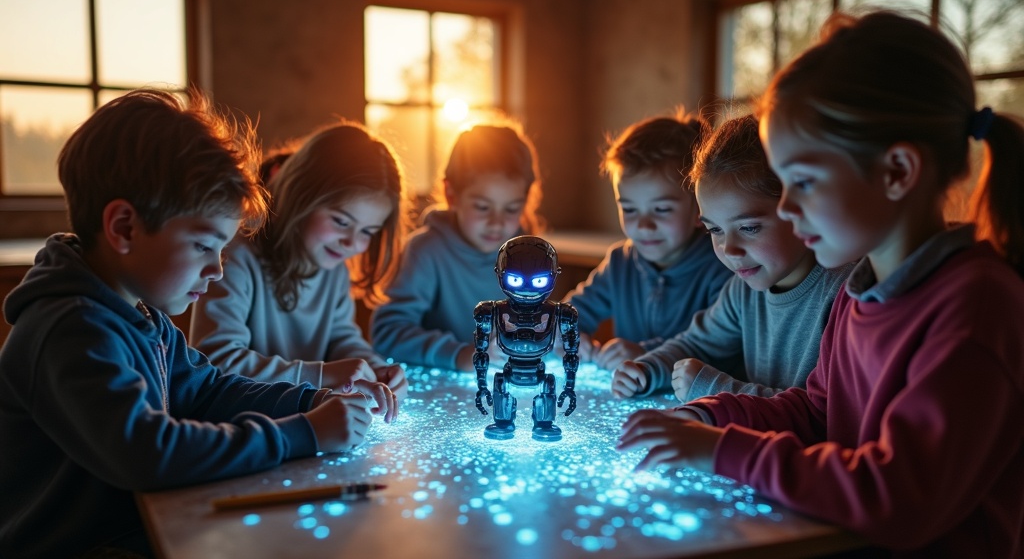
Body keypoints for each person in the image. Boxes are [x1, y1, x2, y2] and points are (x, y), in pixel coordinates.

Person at [618, 11, 1024, 557]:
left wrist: (722, 453)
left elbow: (898, 499)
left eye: (803, 182)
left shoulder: (976, 306)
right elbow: (816, 413)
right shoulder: (862, 292)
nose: (786, 209)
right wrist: (710, 417)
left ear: (897, 171)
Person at [0, 89, 395, 558]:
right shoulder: (71, 330)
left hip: (136, 528)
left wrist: (312, 400)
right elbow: (150, 452)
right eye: (204, 246)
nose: (217, 270)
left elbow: (207, 390)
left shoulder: (142, 315)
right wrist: (303, 433)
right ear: (124, 227)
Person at [610, 115, 853, 402]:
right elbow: (697, 344)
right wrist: (648, 369)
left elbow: (821, 411)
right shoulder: (742, 290)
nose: (729, 249)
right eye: (715, 230)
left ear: (798, 209)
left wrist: (715, 388)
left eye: (749, 228)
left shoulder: (845, 295)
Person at [189, 120, 409, 398]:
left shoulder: (334, 269)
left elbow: (341, 339)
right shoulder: (235, 257)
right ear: (300, 196)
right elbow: (216, 359)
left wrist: (373, 368)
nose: (352, 242)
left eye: (368, 231)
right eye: (341, 221)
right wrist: (321, 376)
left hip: (304, 412)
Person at [563, 111, 732, 370]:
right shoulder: (620, 263)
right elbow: (571, 313)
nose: (643, 225)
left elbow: (719, 345)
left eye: (661, 209)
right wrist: (569, 336)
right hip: (629, 391)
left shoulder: (721, 267)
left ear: (700, 208)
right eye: (629, 209)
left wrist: (646, 353)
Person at [370, 122, 543, 371]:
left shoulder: (527, 254)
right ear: (452, 194)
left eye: (512, 209)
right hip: (438, 383)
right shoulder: (425, 251)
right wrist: (458, 355)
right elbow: (387, 333)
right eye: (482, 207)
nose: (497, 222)